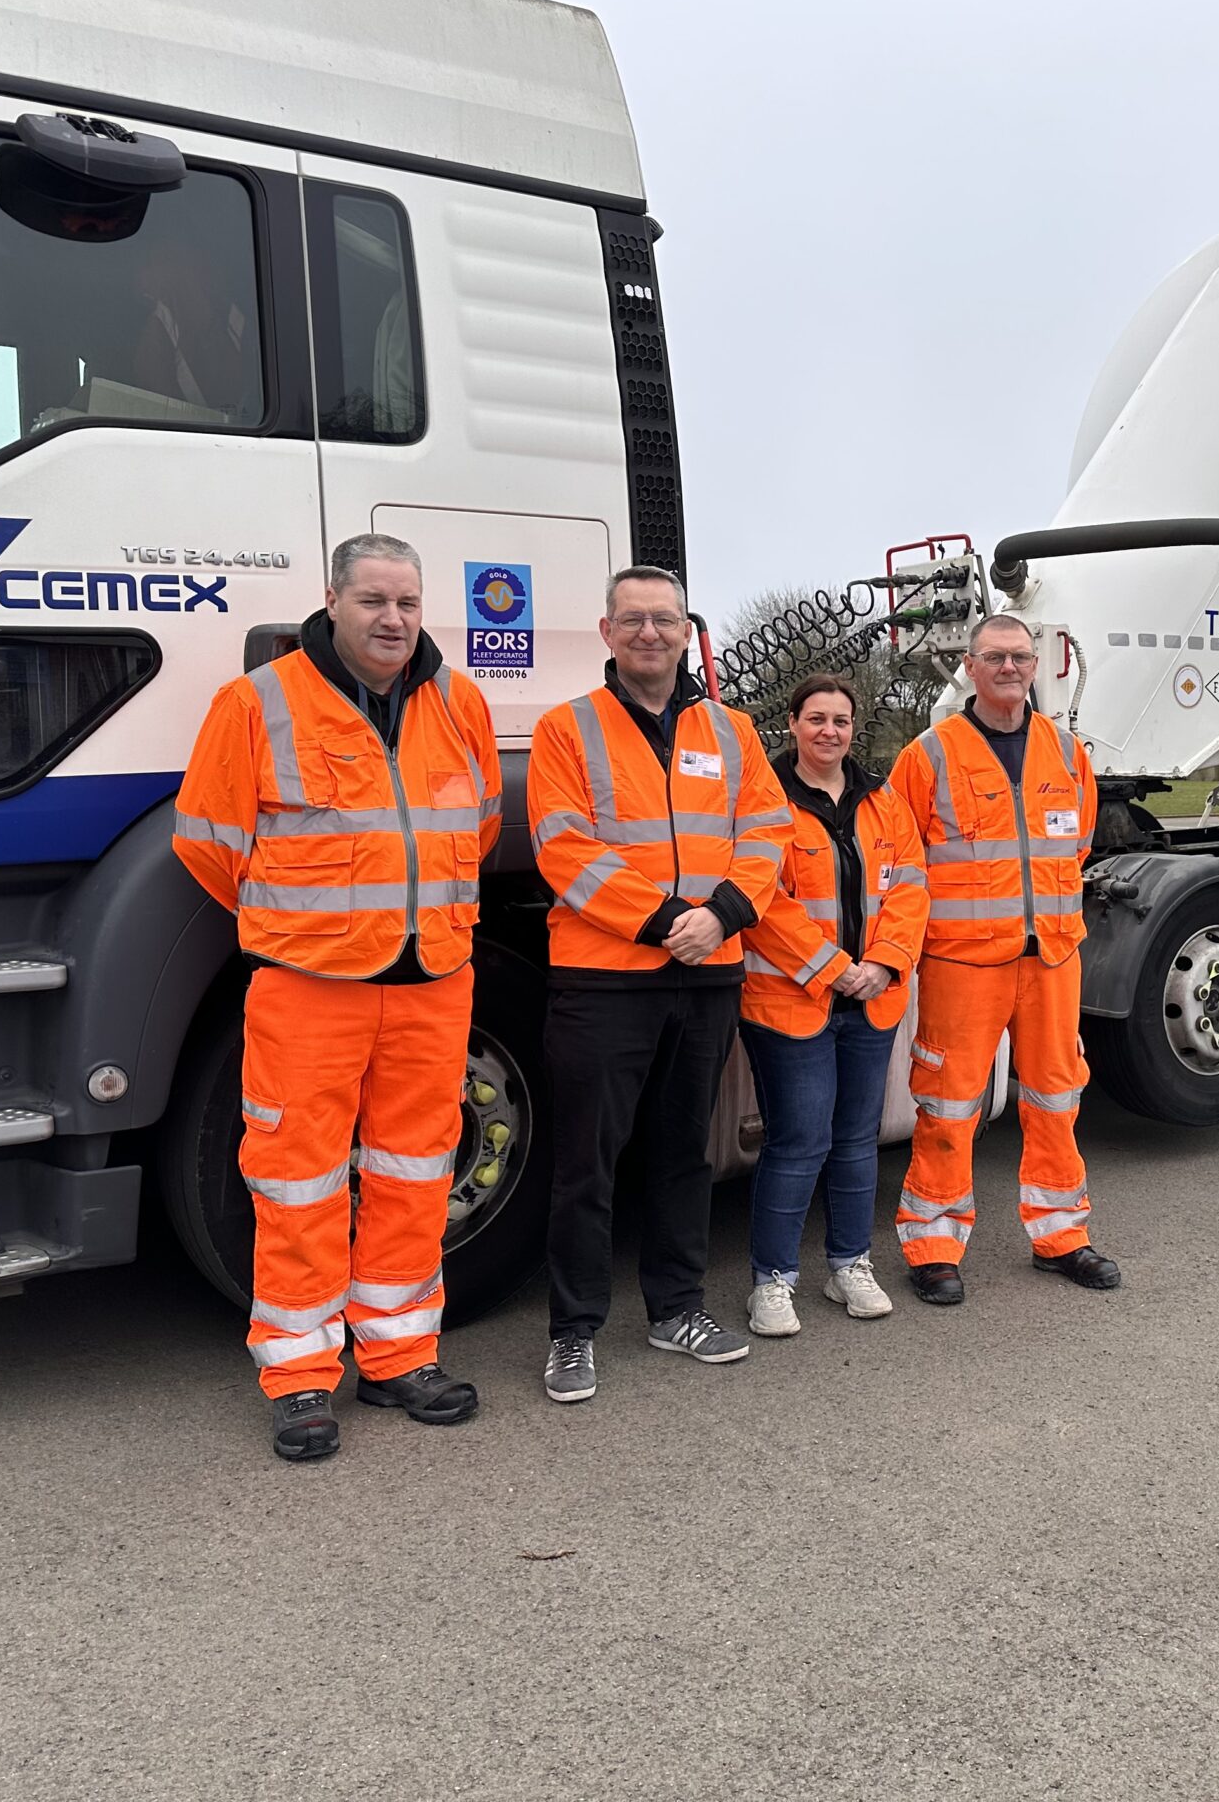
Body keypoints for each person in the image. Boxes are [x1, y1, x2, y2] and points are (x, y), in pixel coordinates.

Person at [171, 533, 500, 1462]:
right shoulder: (258, 703)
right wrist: (306, 924)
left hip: (433, 981)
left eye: (407, 601)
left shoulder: (458, 701)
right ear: (332, 600)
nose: (393, 620)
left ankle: (400, 1358)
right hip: (311, 988)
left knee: (415, 1175)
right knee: (297, 1182)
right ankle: (302, 1378)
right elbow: (208, 843)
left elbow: (477, 825)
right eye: (373, 602)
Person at [528, 566, 794, 1402]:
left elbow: (767, 831)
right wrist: (663, 921)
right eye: (634, 620)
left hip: (708, 972)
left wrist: (719, 916)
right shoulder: (566, 729)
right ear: (607, 633)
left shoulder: (734, 730)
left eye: (666, 620)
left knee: (685, 1153)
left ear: (688, 633)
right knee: (586, 1163)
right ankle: (573, 1332)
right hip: (604, 976)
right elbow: (561, 845)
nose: (651, 634)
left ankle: (677, 1308)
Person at [887, 614, 1121, 1305]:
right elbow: (901, 858)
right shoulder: (928, 755)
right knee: (948, 1105)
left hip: (1049, 957)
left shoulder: (1066, 752)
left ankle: (1060, 1237)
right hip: (963, 962)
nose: (1010, 668)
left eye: (1020, 657)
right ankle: (932, 1244)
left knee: (1055, 1097)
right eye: (995, 657)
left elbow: (1075, 844)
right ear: (971, 664)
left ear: (1036, 666)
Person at [734, 675, 931, 1337]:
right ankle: (773, 1282)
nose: (829, 731)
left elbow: (910, 884)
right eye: (815, 718)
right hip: (791, 1004)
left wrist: (884, 963)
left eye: (841, 720)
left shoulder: (884, 800)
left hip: (870, 1001)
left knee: (856, 1141)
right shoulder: (766, 802)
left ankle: (850, 1263)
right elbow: (762, 901)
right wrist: (834, 968)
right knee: (798, 1143)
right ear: (791, 724)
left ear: (854, 728)